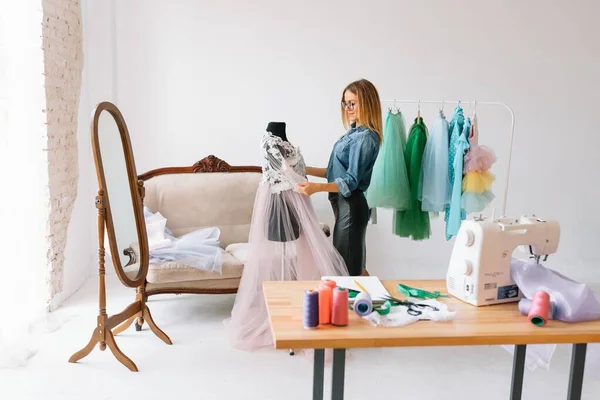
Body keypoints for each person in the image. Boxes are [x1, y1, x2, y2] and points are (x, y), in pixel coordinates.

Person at [298, 79, 382, 276]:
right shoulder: (353, 133)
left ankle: (362, 305)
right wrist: (304, 168)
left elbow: (350, 181)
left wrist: (315, 188)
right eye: (345, 103)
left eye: (353, 103)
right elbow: (333, 172)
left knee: (347, 271)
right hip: (345, 207)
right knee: (353, 267)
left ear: (367, 103)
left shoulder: (365, 138)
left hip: (351, 207)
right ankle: (370, 303)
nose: (348, 108)